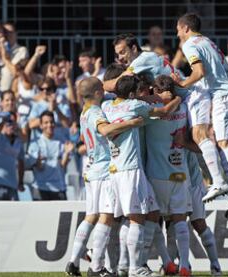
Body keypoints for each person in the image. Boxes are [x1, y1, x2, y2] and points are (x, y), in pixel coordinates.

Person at [100, 76, 181, 277]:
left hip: (117, 169)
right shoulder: (134, 105)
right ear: (131, 94)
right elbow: (164, 111)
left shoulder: (107, 106)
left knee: (152, 212)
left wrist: (153, 98)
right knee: (136, 219)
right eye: (138, 90)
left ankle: (127, 266)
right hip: (129, 170)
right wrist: (179, 98)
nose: (140, 93)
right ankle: (135, 268)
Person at [173, 13, 228, 216]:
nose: (177, 33)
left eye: (178, 29)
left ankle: (225, 186)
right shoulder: (207, 41)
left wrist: (181, 83)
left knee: (223, 142)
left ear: (186, 28)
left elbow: (199, 72)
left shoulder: (189, 44)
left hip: (222, 95)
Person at [66, 77, 143, 277]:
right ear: (98, 93)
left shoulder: (83, 113)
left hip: (91, 169)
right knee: (106, 217)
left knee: (91, 216)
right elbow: (105, 129)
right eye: (102, 88)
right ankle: (97, 267)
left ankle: (73, 262)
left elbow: (85, 137)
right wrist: (132, 122)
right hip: (103, 170)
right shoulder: (96, 112)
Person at [144, 75, 191, 276]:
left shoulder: (151, 113)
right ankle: (185, 266)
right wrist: (178, 95)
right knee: (179, 219)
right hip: (180, 173)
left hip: (158, 174)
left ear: (156, 91)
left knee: (152, 219)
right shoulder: (184, 108)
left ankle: (159, 261)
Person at [26, 111, 74, 200]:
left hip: (59, 187)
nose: (49, 125)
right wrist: (38, 161)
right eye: (46, 122)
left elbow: (63, 165)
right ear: (40, 125)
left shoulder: (62, 140)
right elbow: (39, 168)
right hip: (41, 188)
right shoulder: (35, 143)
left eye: (51, 122)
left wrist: (67, 153)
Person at [0, 22, 29, 91]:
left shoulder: (22, 50)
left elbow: (15, 72)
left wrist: (5, 58)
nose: (8, 35)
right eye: (5, 32)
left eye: (10, 32)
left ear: (16, 33)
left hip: (11, 92)